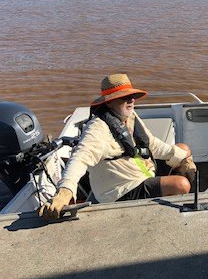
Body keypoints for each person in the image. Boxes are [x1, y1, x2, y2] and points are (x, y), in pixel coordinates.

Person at [39, 73, 196, 219]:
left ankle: (178, 197)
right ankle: (161, 217)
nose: (131, 101)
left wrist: (184, 157)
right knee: (181, 185)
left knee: (183, 148)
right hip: (120, 188)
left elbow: (152, 144)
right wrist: (65, 191)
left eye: (132, 96)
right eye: (125, 97)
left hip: (141, 170)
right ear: (109, 102)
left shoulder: (129, 116)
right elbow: (80, 158)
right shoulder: (97, 128)